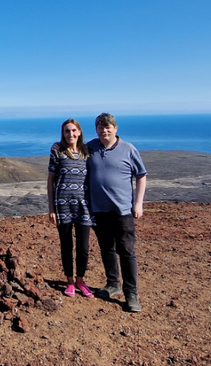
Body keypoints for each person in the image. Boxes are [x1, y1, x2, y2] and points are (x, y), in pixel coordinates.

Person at [86, 113, 147, 312]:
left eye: (108, 127)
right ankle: (113, 284)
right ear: (96, 129)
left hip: (122, 210)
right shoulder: (91, 148)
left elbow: (141, 175)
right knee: (106, 249)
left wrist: (138, 203)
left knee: (126, 251)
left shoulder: (128, 149)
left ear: (115, 128)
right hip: (99, 209)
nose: (105, 130)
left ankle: (131, 294)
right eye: (101, 127)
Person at [47, 119, 95, 298]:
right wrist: (51, 207)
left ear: (80, 132)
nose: (71, 134)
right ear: (63, 133)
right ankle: (69, 282)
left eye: (74, 131)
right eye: (67, 131)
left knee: (83, 246)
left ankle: (80, 280)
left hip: (84, 206)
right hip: (63, 205)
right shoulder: (57, 150)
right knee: (66, 245)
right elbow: (51, 179)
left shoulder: (86, 151)